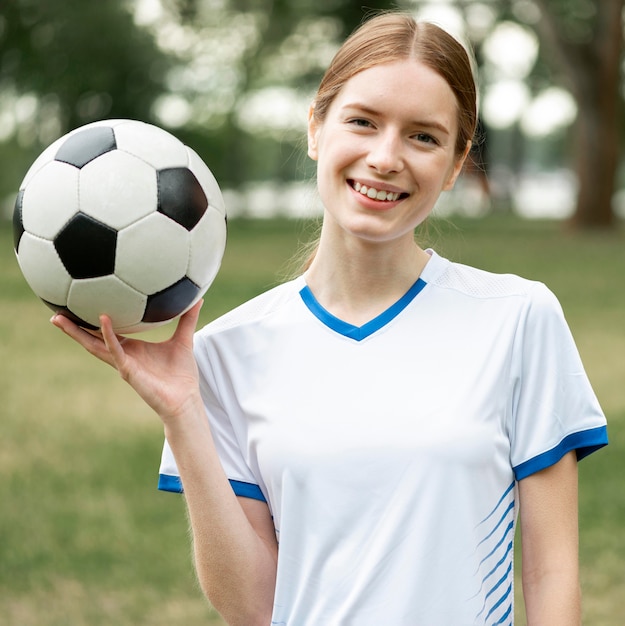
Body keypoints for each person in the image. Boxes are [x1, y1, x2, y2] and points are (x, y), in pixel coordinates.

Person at [52, 11, 608, 626]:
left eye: (423, 137)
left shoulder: (518, 319)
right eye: (363, 122)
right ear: (317, 128)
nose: (386, 157)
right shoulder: (222, 354)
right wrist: (183, 414)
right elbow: (254, 607)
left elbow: (552, 577)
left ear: (455, 165)